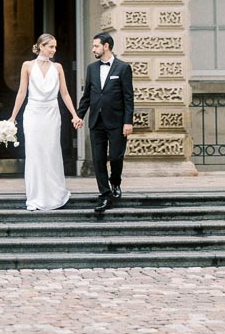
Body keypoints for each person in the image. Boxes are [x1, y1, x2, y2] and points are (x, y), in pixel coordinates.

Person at [8, 33, 82, 212]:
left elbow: (64, 93)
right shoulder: (27, 66)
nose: (54, 50)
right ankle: (35, 197)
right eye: (51, 47)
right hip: (33, 113)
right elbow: (21, 93)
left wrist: (74, 115)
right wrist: (12, 117)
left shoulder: (58, 67)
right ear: (41, 46)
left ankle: (54, 195)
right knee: (34, 153)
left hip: (51, 113)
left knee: (51, 152)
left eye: (55, 47)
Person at [76, 32, 134, 216]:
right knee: (98, 160)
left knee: (116, 156)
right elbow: (87, 97)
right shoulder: (92, 68)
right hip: (96, 122)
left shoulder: (123, 68)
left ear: (106, 46)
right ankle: (105, 193)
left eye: (96, 46)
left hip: (117, 122)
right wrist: (79, 116)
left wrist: (128, 122)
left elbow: (128, 98)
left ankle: (115, 181)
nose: (93, 49)